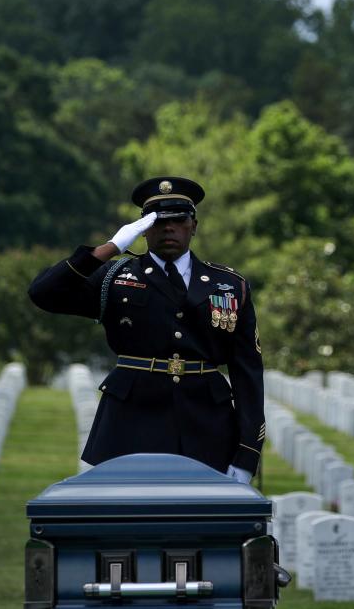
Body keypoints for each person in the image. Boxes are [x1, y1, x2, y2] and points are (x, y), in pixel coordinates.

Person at [28, 176, 264, 484]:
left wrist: (247, 455)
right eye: (157, 220)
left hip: (207, 426)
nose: (169, 228)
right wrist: (110, 248)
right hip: (130, 424)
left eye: (178, 219)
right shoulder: (115, 276)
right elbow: (44, 293)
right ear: (142, 228)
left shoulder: (230, 286)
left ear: (194, 225)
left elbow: (248, 375)